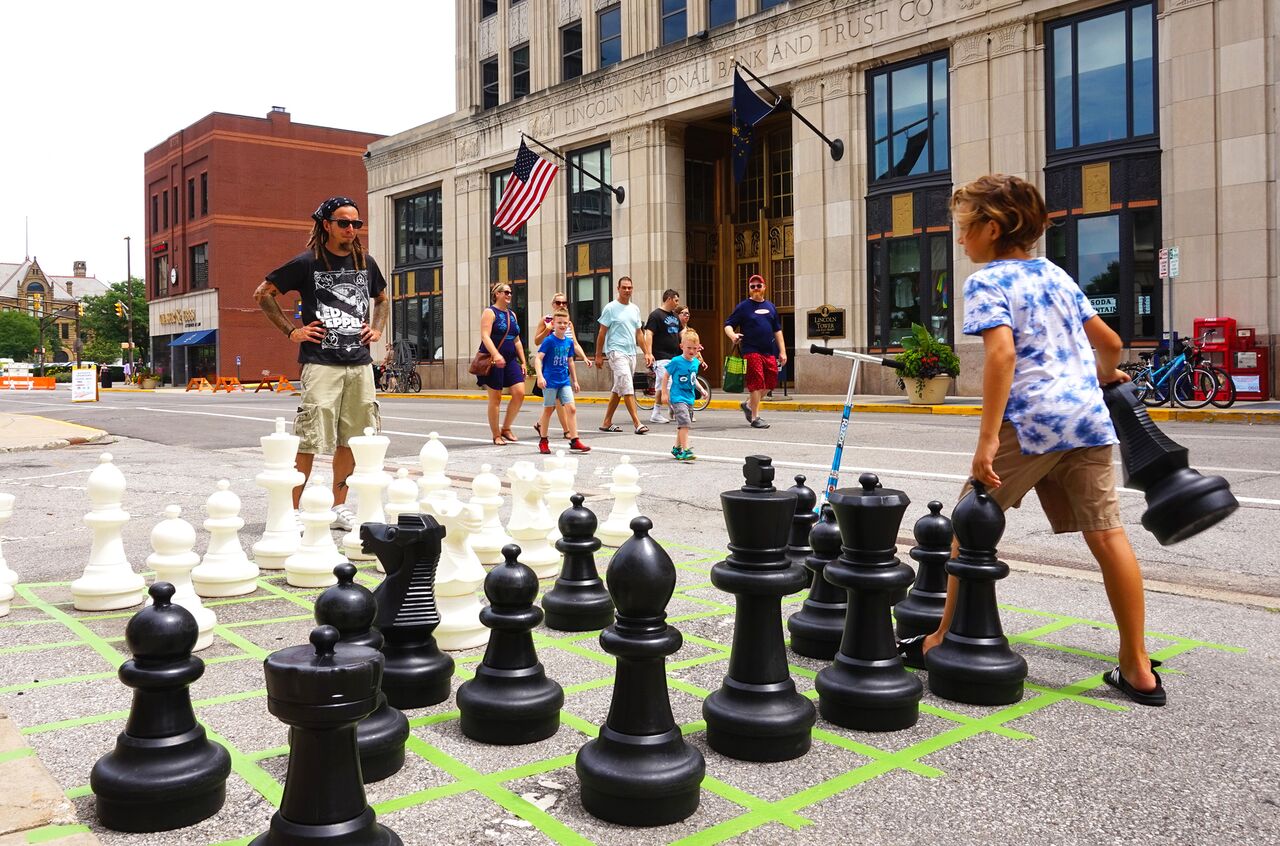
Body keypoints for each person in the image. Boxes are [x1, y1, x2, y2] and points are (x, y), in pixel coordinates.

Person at [907, 173, 1163, 706]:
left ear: (992, 227)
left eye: (963, 229)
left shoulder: (986, 282)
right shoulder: (1056, 275)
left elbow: (1001, 356)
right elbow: (1112, 343)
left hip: (1030, 423)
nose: (959, 240)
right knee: (1109, 535)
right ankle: (1137, 666)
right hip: (1087, 422)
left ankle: (940, 637)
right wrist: (1100, 375)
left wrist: (984, 442)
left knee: (967, 526)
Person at [253, 196, 388, 531]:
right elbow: (263, 294)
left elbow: (383, 298)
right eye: (344, 223)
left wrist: (378, 327)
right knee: (310, 437)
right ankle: (294, 509)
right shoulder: (307, 262)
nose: (351, 229)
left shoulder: (365, 262)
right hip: (321, 362)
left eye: (356, 223)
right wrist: (292, 332)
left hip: (359, 363)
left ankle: (339, 506)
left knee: (352, 438)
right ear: (326, 224)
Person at [724, 273, 786, 429]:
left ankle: (748, 405)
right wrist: (733, 335)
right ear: (749, 289)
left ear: (764, 287)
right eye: (753, 286)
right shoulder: (743, 307)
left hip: (768, 351)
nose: (756, 288)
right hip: (751, 350)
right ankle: (755, 417)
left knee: (771, 381)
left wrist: (782, 351)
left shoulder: (771, 307)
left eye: (759, 285)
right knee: (756, 381)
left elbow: (777, 331)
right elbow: (728, 324)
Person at [593, 276, 653, 434]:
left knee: (619, 387)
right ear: (618, 289)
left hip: (631, 352)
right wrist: (598, 355)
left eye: (629, 288)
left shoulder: (635, 309)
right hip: (615, 351)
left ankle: (606, 422)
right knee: (627, 384)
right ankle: (637, 423)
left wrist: (647, 352)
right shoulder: (610, 308)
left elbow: (639, 333)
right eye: (624, 287)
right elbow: (601, 333)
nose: (627, 290)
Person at [533, 291, 591, 440]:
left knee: (563, 405)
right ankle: (565, 431)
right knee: (553, 405)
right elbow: (537, 341)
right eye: (558, 303)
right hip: (549, 370)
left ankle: (545, 426)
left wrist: (584, 357)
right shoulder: (546, 320)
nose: (561, 305)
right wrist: (547, 329)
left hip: (562, 371)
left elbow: (574, 345)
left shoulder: (567, 323)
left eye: (564, 303)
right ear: (553, 305)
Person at [477, 283, 527, 445]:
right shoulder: (489, 312)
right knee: (496, 397)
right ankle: (496, 434)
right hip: (493, 359)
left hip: (511, 359)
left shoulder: (512, 314)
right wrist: (496, 354)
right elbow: (485, 336)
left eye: (510, 292)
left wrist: (524, 361)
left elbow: (517, 339)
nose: (509, 295)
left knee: (519, 392)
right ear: (497, 294)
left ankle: (506, 428)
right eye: (506, 292)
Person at [660, 329, 702, 462]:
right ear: (682, 346)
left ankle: (676, 448)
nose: (692, 351)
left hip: (689, 397)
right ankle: (686, 450)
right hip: (678, 397)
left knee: (683, 424)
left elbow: (693, 379)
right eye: (689, 347)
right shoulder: (676, 361)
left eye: (695, 348)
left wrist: (701, 389)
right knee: (685, 423)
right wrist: (664, 393)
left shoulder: (695, 362)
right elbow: (665, 376)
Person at [642, 289, 683, 424]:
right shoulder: (655, 315)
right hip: (661, 356)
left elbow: (682, 333)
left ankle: (656, 413)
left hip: (675, 355)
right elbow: (649, 334)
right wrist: (649, 353)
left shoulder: (675, 317)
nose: (677, 303)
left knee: (661, 386)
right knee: (669, 384)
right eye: (676, 300)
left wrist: (692, 346)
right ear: (669, 299)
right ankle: (677, 411)